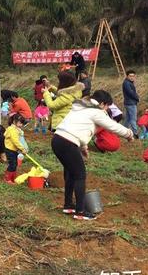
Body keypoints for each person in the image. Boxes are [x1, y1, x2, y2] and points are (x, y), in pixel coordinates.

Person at [51, 90, 133, 220]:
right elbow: (112, 126)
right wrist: (129, 134)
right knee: (80, 175)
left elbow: (77, 129)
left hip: (58, 140)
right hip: (68, 142)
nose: (106, 109)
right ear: (102, 104)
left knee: (71, 173)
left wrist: (83, 147)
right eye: (107, 106)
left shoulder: (80, 107)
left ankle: (68, 205)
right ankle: (80, 211)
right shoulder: (96, 112)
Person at [3, 114, 28, 183]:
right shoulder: (12, 130)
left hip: (13, 150)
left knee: (15, 164)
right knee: (12, 164)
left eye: (22, 123)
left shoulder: (16, 129)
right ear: (14, 121)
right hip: (10, 150)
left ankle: (13, 177)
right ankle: (7, 178)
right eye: (20, 123)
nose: (21, 125)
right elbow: (15, 141)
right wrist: (22, 149)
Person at [122, 70, 140, 138]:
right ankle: (135, 134)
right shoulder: (126, 83)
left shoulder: (129, 82)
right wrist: (137, 98)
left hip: (129, 103)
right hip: (130, 103)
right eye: (130, 76)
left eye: (133, 76)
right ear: (127, 76)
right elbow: (130, 92)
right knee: (133, 119)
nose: (132, 77)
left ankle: (123, 132)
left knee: (128, 119)